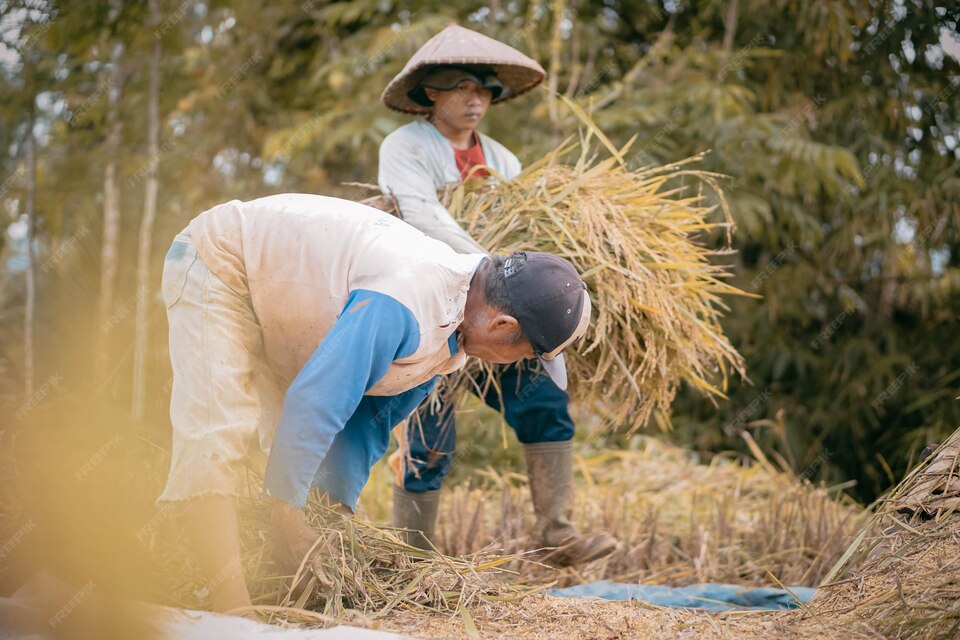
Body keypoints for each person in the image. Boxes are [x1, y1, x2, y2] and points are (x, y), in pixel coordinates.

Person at [158, 193, 592, 614]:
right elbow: (317, 399)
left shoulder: (452, 336)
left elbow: (368, 420)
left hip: (283, 301)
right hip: (223, 262)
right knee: (219, 433)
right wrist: (288, 515)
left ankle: (273, 588)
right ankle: (233, 609)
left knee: (283, 458)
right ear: (503, 325)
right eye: (530, 354)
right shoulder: (411, 296)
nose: (521, 364)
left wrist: (334, 521)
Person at [377, 24, 617, 565]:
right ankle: (410, 564)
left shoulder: (504, 161)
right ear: (430, 93)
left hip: (502, 310)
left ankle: (558, 534)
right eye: (461, 87)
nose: (475, 99)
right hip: (434, 303)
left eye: (484, 90)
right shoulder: (405, 148)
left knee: (545, 404)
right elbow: (421, 214)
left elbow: (523, 219)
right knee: (428, 436)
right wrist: (492, 262)